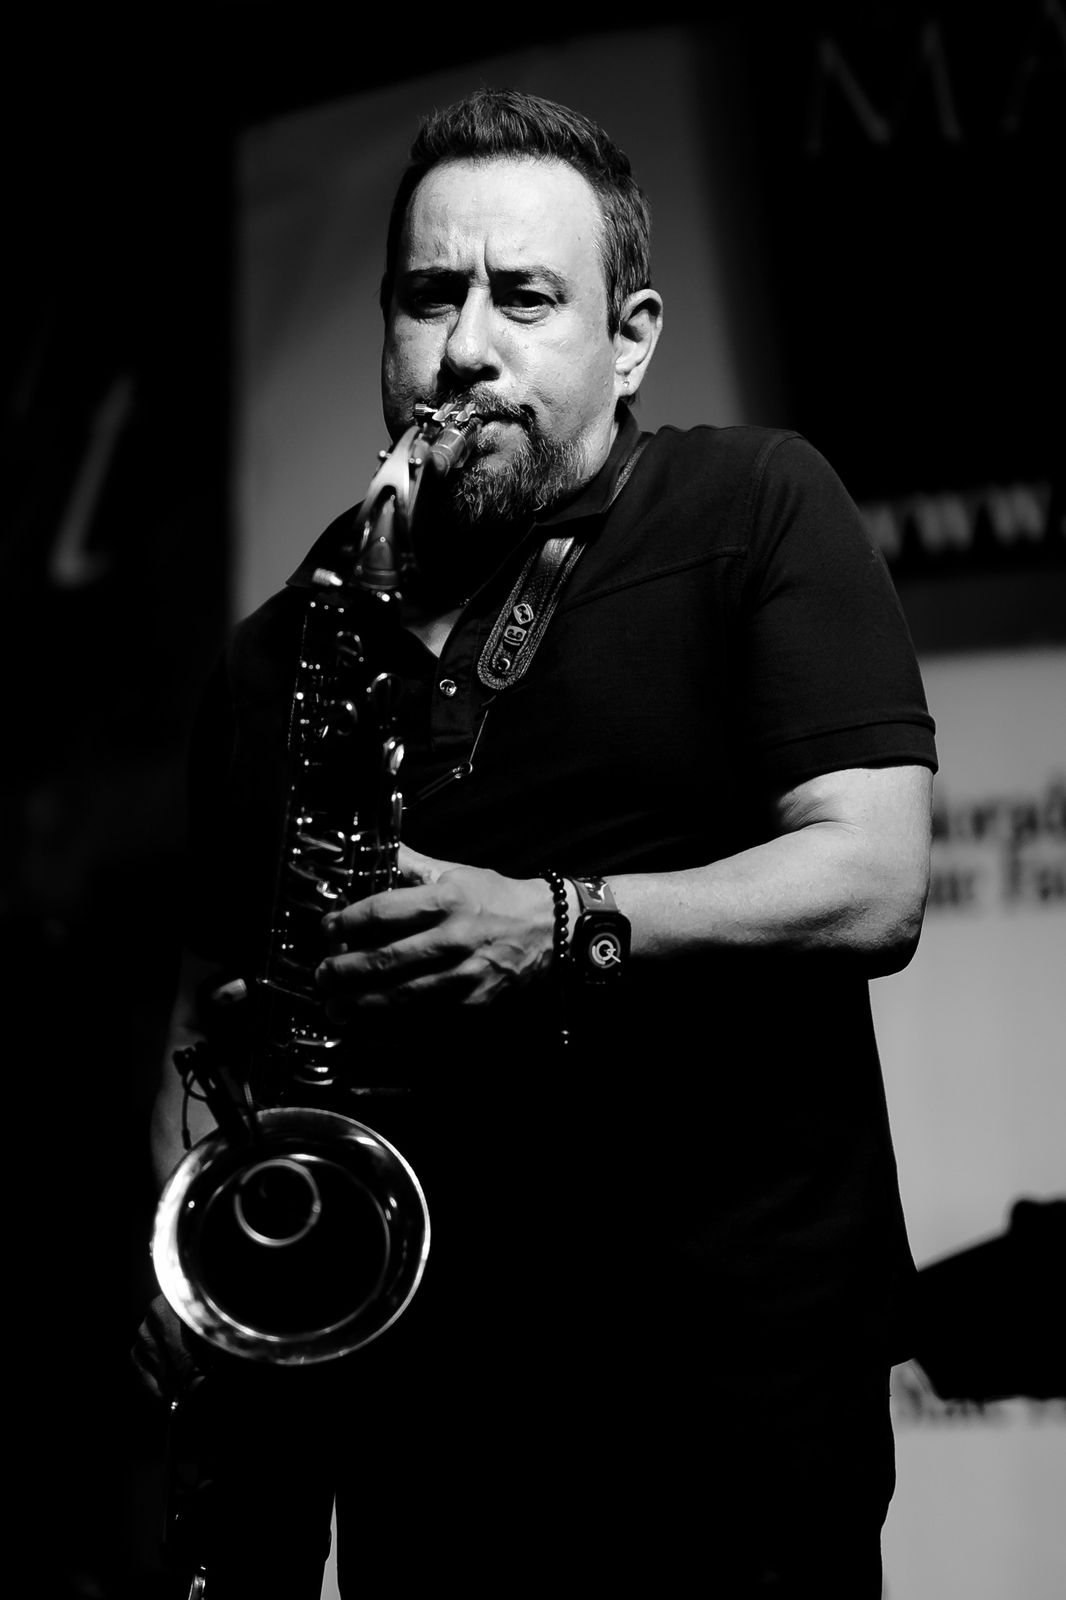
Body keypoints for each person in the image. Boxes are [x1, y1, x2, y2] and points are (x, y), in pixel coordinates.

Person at [138, 87, 937, 1598]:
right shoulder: (283, 651)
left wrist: (554, 922)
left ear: (628, 338)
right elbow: (208, 1002)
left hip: (721, 1406)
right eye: (428, 295)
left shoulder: (755, 503)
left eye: (524, 297)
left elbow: (872, 877)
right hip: (417, 1404)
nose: (465, 348)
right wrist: (204, 1224)